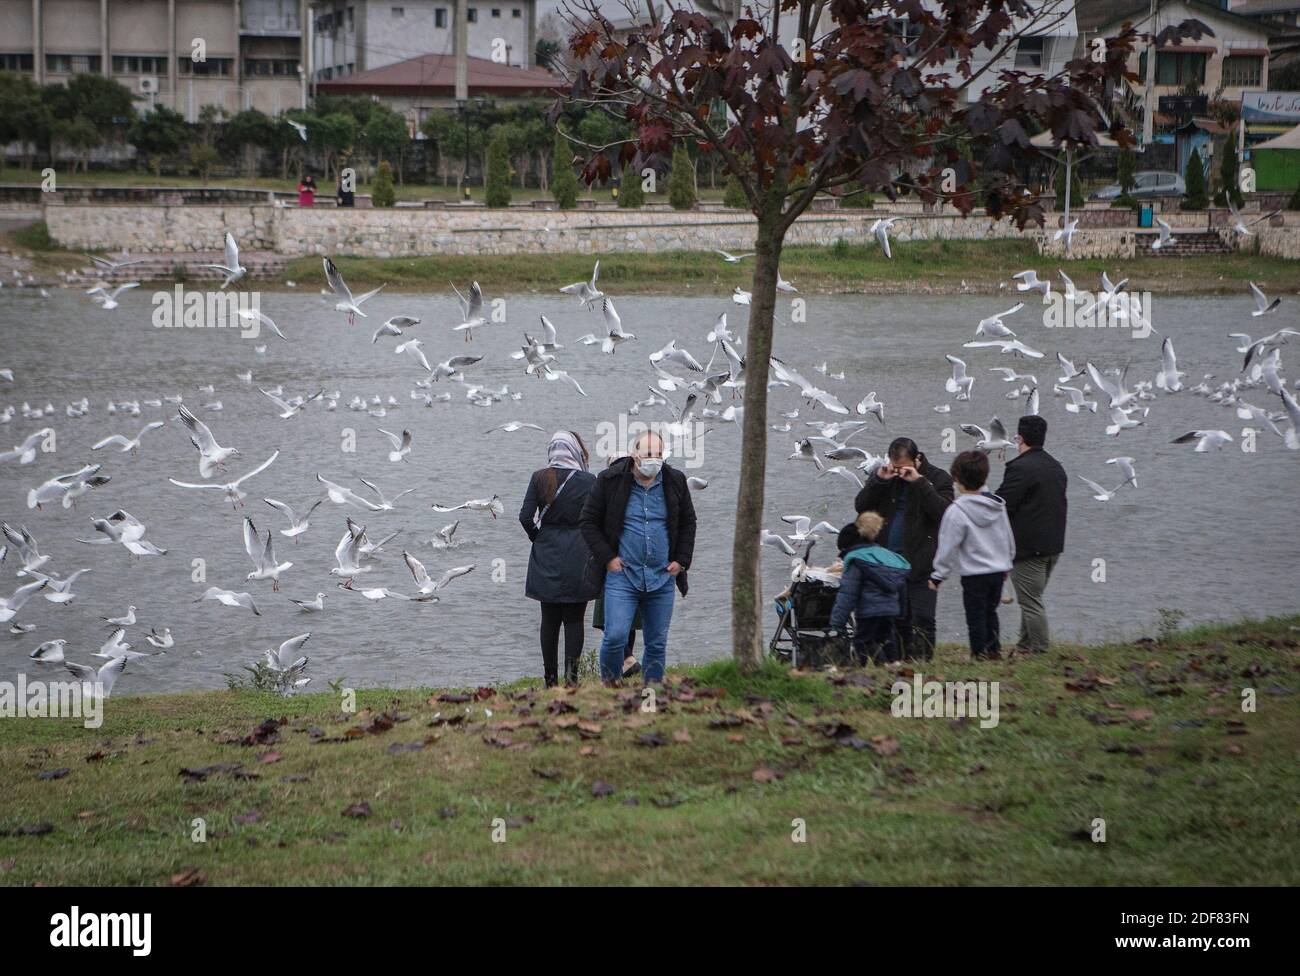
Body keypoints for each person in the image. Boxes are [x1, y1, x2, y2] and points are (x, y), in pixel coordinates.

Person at [579, 430, 696, 685]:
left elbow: (688, 521)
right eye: (648, 454)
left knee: (656, 642)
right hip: (623, 575)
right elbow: (588, 522)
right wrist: (608, 558)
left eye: (658, 454)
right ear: (635, 455)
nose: (654, 459)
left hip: (661, 576)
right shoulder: (610, 480)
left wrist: (682, 560)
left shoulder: (674, 481)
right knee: (615, 636)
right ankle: (610, 688)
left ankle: (651, 694)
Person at [854, 437, 953, 660]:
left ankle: (924, 664)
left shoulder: (938, 478)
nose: (900, 472)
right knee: (895, 619)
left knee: (924, 619)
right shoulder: (885, 477)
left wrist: (919, 482)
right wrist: (879, 481)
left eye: (904, 467)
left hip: (922, 561)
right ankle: (898, 664)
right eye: (896, 467)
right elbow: (861, 506)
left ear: (917, 460)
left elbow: (946, 514)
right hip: (888, 564)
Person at [518, 431, 599, 687]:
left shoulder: (539, 477)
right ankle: (572, 681)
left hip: (547, 552)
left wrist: (538, 538)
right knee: (575, 620)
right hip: (579, 554)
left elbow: (524, 517)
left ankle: (550, 680)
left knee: (549, 620)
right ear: (576, 451)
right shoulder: (589, 480)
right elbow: (596, 518)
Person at [929, 451, 1016, 660]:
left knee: (975, 616)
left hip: (974, 574)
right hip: (998, 570)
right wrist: (1008, 563)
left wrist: (938, 575)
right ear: (984, 477)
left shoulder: (957, 510)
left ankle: (979, 654)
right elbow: (1007, 536)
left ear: (957, 480)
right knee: (990, 612)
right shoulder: (997, 505)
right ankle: (994, 650)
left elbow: (948, 546)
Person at [995, 415, 1068, 654]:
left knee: (1031, 603)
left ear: (1020, 438)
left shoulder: (1019, 467)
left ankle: (1039, 651)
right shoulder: (1056, 466)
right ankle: (1024, 646)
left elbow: (1002, 503)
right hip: (1053, 546)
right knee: (1031, 599)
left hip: (1029, 548)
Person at [826, 511, 910, 665]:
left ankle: (861, 671)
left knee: (862, 643)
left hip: (868, 612)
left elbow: (848, 594)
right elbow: (901, 587)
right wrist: (901, 612)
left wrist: (837, 623)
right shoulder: (888, 557)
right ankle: (893, 667)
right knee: (887, 641)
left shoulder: (857, 560)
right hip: (890, 611)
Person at [591, 455, 642, 680]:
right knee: (627, 619)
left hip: (611, 565)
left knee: (608, 619)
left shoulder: (604, 491)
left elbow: (593, 527)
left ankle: (625, 660)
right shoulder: (640, 490)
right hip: (634, 564)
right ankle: (625, 662)